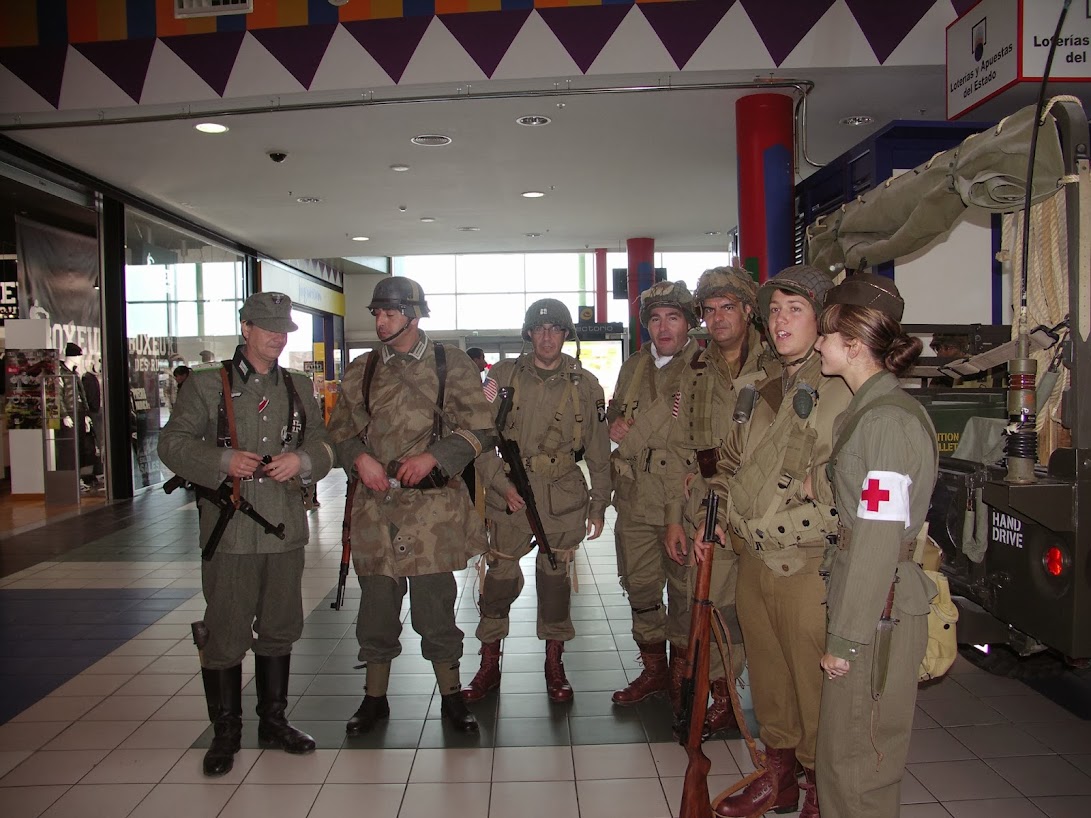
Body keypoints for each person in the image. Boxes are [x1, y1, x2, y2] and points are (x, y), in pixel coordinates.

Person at [158, 292, 335, 777]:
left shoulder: (298, 386)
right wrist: (221, 461)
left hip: (284, 528)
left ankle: (273, 720)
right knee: (227, 629)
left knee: (280, 626)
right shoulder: (205, 385)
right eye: (268, 327)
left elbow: (323, 444)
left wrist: (303, 461)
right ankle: (226, 729)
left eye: (284, 329)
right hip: (230, 528)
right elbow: (171, 443)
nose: (278, 336)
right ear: (246, 328)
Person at [697, 265, 851, 818]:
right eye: (777, 309)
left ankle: (816, 789)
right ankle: (780, 777)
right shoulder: (760, 385)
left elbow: (846, 491)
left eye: (796, 309)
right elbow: (728, 462)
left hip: (807, 567)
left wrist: (770, 522)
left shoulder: (842, 389)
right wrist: (716, 512)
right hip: (754, 562)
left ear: (823, 320)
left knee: (813, 687)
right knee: (767, 680)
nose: (781, 321)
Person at [327, 277, 492, 735]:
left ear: (414, 315)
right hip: (376, 510)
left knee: (435, 609)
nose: (380, 320)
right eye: (376, 313)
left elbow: (482, 429)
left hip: (431, 514)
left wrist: (434, 457)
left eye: (389, 313)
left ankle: (453, 697)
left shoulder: (450, 364)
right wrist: (358, 459)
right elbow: (339, 430)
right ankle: (374, 699)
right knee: (377, 610)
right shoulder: (362, 368)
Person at [811, 274, 937, 818]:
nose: (818, 343)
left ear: (854, 344)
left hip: (875, 610)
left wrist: (846, 636)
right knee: (842, 755)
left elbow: (879, 538)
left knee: (859, 764)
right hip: (869, 601)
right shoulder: (869, 412)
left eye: (826, 334)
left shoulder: (885, 424)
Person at [462, 298, 611, 703]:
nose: (547, 337)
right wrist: (499, 486)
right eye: (540, 329)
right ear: (529, 332)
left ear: (566, 334)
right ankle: (489, 664)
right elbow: (478, 439)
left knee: (555, 583)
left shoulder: (586, 385)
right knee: (499, 580)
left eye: (556, 329)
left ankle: (554, 663)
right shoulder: (502, 376)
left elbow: (598, 451)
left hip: (561, 495)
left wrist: (599, 504)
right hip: (509, 493)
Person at [660, 267, 770, 735]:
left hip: (767, 504)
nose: (718, 317)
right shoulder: (696, 370)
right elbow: (678, 445)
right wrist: (673, 517)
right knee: (711, 603)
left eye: (728, 307)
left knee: (763, 606)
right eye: (709, 310)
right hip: (710, 501)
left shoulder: (780, 366)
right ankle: (722, 693)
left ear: (748, 310)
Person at [607, 281, 701, 707]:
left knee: (685, 591)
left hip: (681, 500)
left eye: (673, 317)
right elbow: (613, 411)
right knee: (642, 588)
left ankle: (684, 674)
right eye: (655, 318)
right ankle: (654, 670)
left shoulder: (703, 367)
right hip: (634, 498)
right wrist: (613, 427)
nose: (663, 327)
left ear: (688, 322)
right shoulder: (634, 365)